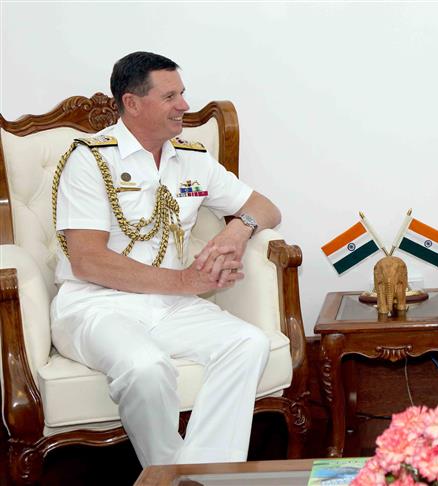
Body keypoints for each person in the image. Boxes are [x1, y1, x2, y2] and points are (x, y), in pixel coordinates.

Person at [50, 51, 281, 467]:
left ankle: (200, 474)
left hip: (171, 306)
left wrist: (237, 228)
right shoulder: (89, 159)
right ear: (133, 103)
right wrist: (185, 283)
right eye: (170, 96)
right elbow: (87, 261)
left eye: (183, 93)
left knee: (248, 343)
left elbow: (266, 207)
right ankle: (173, 476)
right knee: (145, 366)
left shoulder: (191, 157)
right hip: (95, 304)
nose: (184, 106)